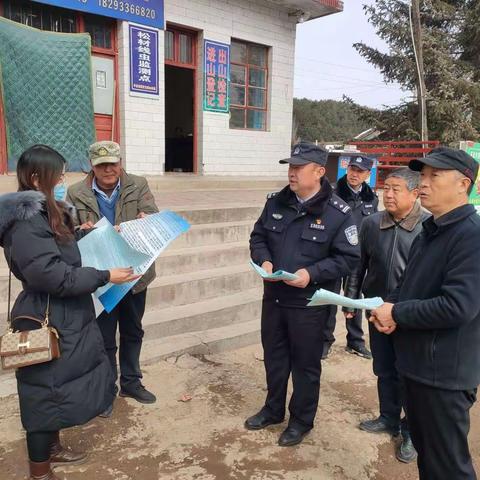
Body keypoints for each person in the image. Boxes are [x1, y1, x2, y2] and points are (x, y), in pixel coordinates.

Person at [0, 145, 139, 480]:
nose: (63, 180)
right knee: (41, 395)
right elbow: (51, 274)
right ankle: (39, 471)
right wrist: (105, 276)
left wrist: (80, 234)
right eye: (57, 175)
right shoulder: (25, 221)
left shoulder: (47, 212)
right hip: (45, 314)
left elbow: (55, 249)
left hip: (66, 313)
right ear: (36, 178)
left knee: (56, 388)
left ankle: (53, 448)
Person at [371, 147, 480, 479]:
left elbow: (458, 306)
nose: (424, 184)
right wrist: (387, 311)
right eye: (423, 176)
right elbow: (406, 288)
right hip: (417, 366)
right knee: (430, 461)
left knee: (448, 467)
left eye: (435, 176)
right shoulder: (432, 231)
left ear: (464, 184)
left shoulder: (471, 236)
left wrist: (398, 312)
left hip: (442, 376)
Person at [246, 142, 360, 447]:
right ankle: (272, 410)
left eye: (299, 167)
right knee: (275, 357)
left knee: (306, 365)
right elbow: (258, 237)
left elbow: (348, 258)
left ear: (320, 172)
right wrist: (264, 259)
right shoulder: (276, 203)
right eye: (290, 166)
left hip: (310, 304)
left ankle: (301, 420)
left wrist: (311, 273)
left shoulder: (338, 214)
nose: (291, 172)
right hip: (274, 298)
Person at [67, 141, 159, 413]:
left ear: (120, 162)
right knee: (105, 338)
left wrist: (146, 219)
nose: (108, 169)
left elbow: (152, 215)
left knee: (133, 331)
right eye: (101, 165)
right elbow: (64, 230)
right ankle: (107, 390)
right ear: (92, 167)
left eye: (113, 163)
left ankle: (131, 382)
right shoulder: (75, 193)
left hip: (134, 274)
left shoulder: (138, 184)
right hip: (102, 277)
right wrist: (79, 229)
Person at [343, 168, 426, 463]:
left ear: (415, 194)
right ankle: (388, 417)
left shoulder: (428, 227)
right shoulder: (371, 224)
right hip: (375, 310)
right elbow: (357, 267)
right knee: (384, 369)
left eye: (396, 189)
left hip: (409, 315)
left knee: (410, 376)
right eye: (385, 189)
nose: (388, 195)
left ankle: (411, 432)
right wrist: (351, 302)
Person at [323, 155, 378, 359]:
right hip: (335, 253)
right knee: (331, 296)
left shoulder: (371, 197)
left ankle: (355, 341)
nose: (354, 174)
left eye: (360, 171)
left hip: (357, 255)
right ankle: (324, 341)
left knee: (354, 298)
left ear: (367, 174)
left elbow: (373, 224)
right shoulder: (332, 192)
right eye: (352, 169)